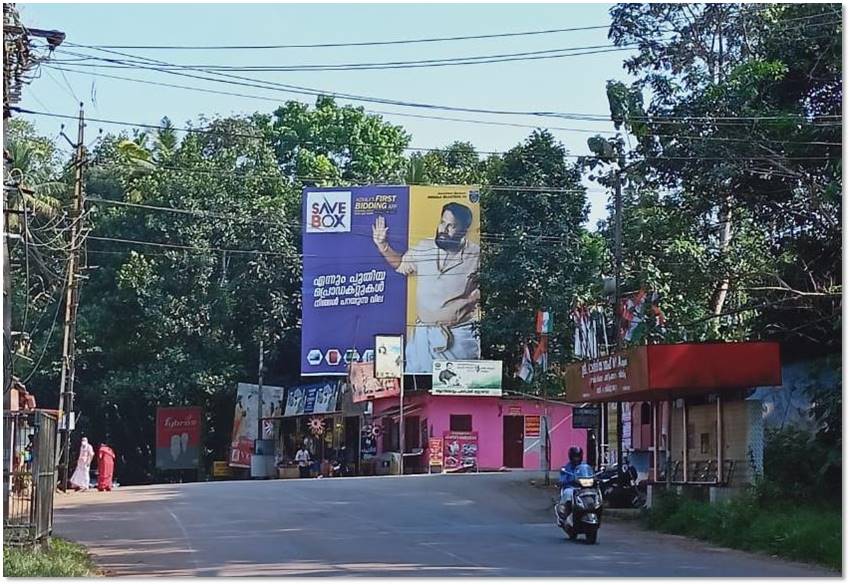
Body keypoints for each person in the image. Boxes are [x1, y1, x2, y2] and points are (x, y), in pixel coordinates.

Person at [372, 202, 481, 372]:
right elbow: (402, 265)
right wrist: (383, 246)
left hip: (458, 339)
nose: (444, 229)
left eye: (451, 226)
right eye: (443, 222)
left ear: (464, 231)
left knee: (456, 391)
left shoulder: (476, 255)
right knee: (417, 388)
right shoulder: (425, 247)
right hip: (424, 337)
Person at [557, 446, 585, 524]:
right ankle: (564, 511)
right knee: (567, 493)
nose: (577, 459)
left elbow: (589, 474)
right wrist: (571, 480)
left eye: (578, 456)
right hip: (571, 488)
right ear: (571, 457)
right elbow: (562, 479)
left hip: (583, 488)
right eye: (575, 457)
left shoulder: (584, 466)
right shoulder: (567, 467)